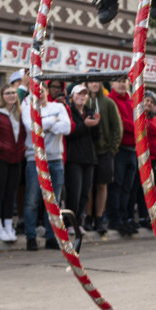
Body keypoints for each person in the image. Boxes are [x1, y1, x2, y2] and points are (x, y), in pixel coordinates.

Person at [21, 83, 72, 251]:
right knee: (32, 200)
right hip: (35, 158)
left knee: (54, 201)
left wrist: (43, 124)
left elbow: (66, 127)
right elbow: (33, 128)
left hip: (55, 159)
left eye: (42, 90)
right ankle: (31, 237)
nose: (39, 93)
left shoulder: (57, 106)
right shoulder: (28, 107)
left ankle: (52, 237)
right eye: (36, 91)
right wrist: (52, 121)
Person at [0, 84, 26, 242]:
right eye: (7, 93)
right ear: (2, 96)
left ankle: (8, 225)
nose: (11, 96)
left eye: (13, 93)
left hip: (16, 158)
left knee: (11, 193)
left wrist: (21, 148)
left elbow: (23, 133)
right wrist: (1, 146)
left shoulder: (20, 113)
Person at [86, 80, 121, 236]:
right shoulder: (83, 100)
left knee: (102, 185)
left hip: (104, 151)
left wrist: (112, 149)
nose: (94, 85)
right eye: (90, 82)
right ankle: (88, 218)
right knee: (88, 185)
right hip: (87, 151)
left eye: (96, 82)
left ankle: (99, 218)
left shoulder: (108, 103)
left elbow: (117, 127)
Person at [106, 78, 138, 236]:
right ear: (112, 84)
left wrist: (136, 124)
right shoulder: (110, 100)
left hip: (133, 150)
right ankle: (114, 219)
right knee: (116, 186)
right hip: (120, 150)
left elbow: (140, 120)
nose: (121, 84)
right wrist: (136, 125)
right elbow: (121, 123)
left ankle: (125, 218)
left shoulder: (131, 101)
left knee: (128, 187)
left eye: (124, 81)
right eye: (118, 81)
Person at [65, 84, 99, 234]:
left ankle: (78, 221)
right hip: (74, 158)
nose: (82, 97)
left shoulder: (90, 112)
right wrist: (84, 125)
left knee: (85, 193)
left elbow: (97, 137)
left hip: (89, 158)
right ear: (72, 96)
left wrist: (96, 124)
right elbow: (70, 132)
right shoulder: (68, 111)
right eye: (79, 94)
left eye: (84, 94)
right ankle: (70, 222)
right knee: (74, 192)